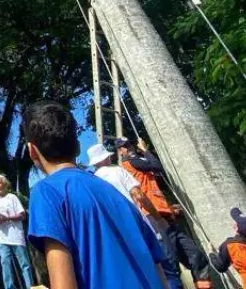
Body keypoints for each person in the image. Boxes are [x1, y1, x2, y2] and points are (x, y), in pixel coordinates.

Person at [24, 101, 168, 289]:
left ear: (31, 150)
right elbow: (158, 269)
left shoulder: (46, 192)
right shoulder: (114, 193)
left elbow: (63, 284)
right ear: (77, 147)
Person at [116, 138, 212, 289]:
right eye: (124, 147)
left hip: (164, 213)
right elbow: (156, 165)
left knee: (194, 253)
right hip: (153, 215)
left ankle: (203, 285)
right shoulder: (131, 162)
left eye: (129, 144)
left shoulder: (139, 161)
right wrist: (146, 150)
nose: (129, 148)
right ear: (120, 151)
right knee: (170, 261)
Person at [0, 174, 35, 289]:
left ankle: (30, 286)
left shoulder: (12, 197)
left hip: (16, 237)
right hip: (2, 239)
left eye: (0, 183)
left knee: (24, 265)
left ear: (4, 184)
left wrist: (8, 218)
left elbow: (23, 215)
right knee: (5, 264)